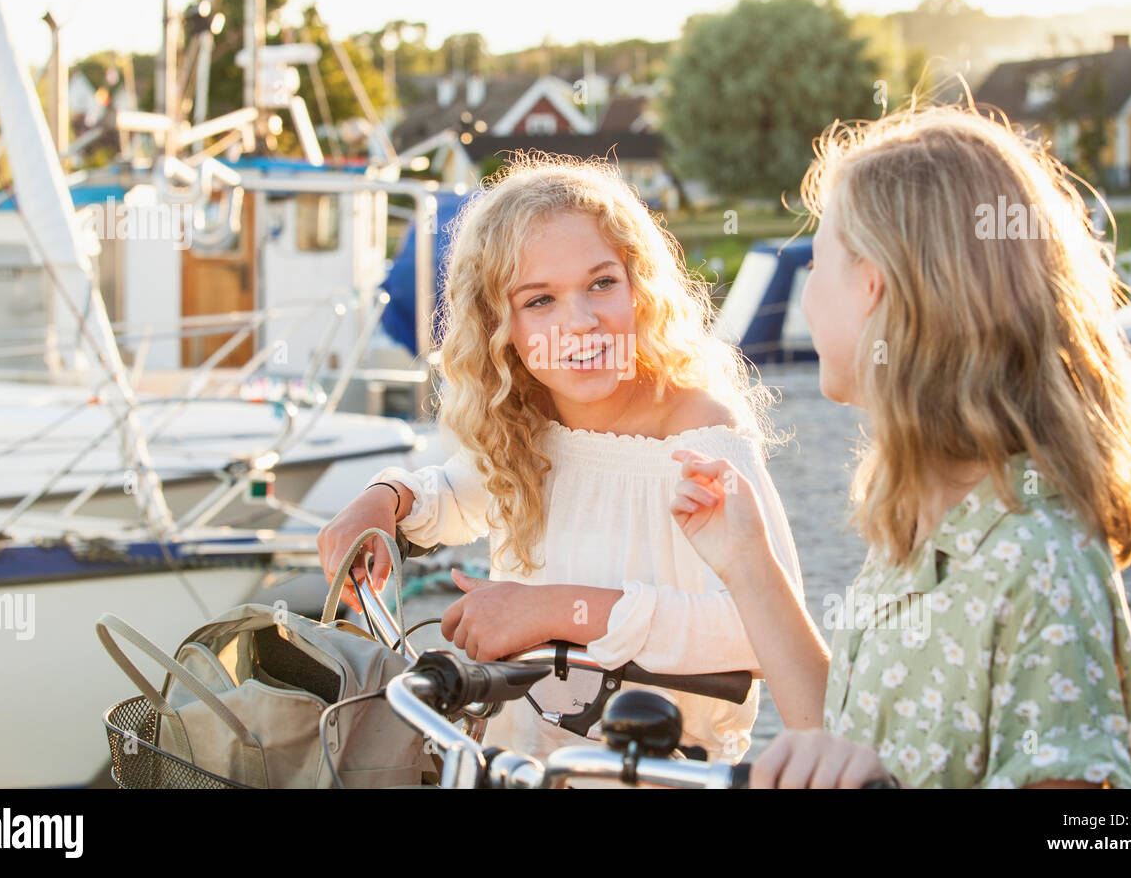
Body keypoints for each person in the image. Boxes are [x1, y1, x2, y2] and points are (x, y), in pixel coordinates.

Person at [670, 103, 1131, 788]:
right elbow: (848, 738)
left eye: (818, 264)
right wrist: (747, 561)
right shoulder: (928, 519)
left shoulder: (1039, 562)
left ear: (875, 286)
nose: (808, 299)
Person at [317, 154, 820, 764]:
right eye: (539, 301)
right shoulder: (530, 423)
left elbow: (762, 634)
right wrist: (386, 500)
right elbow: (455, 493)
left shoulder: (699, 435)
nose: (579, 324)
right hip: (516, 765)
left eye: (602, 283)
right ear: (497, 324)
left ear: (640, 288)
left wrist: (551, 609)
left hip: (657, 773)